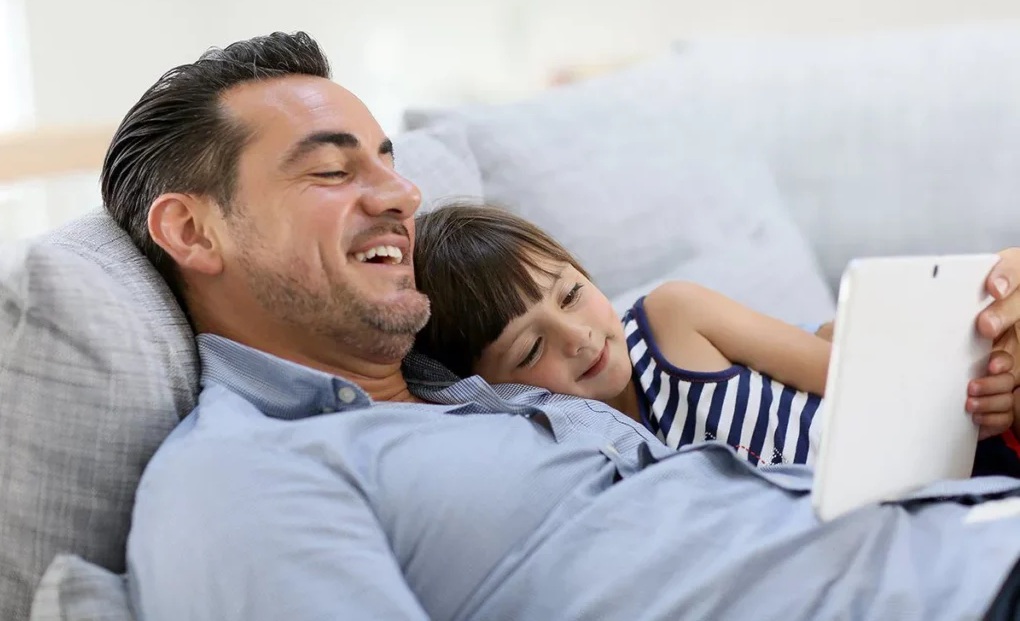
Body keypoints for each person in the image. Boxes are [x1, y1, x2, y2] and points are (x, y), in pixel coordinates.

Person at [107, 31, 1020, 621]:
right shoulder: (246, 472)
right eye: (331, 171)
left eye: (387, 160)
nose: (400, 195)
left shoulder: (481, 393)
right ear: (194, 230)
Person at [411, 203, 1014, 468]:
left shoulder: (673, 318)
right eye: (531, 348)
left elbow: (850, 371)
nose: (578, 337)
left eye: (571, 294)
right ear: (494, 389)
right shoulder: (584, 454)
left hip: (937, 444)